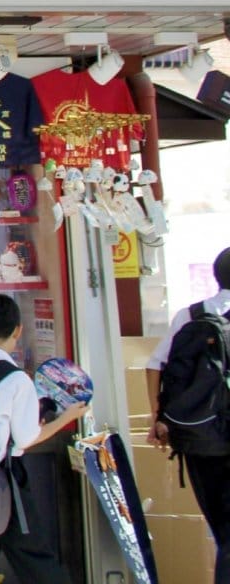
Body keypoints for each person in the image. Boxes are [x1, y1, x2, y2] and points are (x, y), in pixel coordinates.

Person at [0, 293, 88, 584]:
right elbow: (26, 438)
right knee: (36, 560)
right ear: (18, 329)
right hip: (6, 482)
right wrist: (66, 418)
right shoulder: (16, 379)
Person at [146, 246, 230, 582]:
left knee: (222, 529)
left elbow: (155, 365)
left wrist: (157, 418)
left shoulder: (191, 316)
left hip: (199, 439)